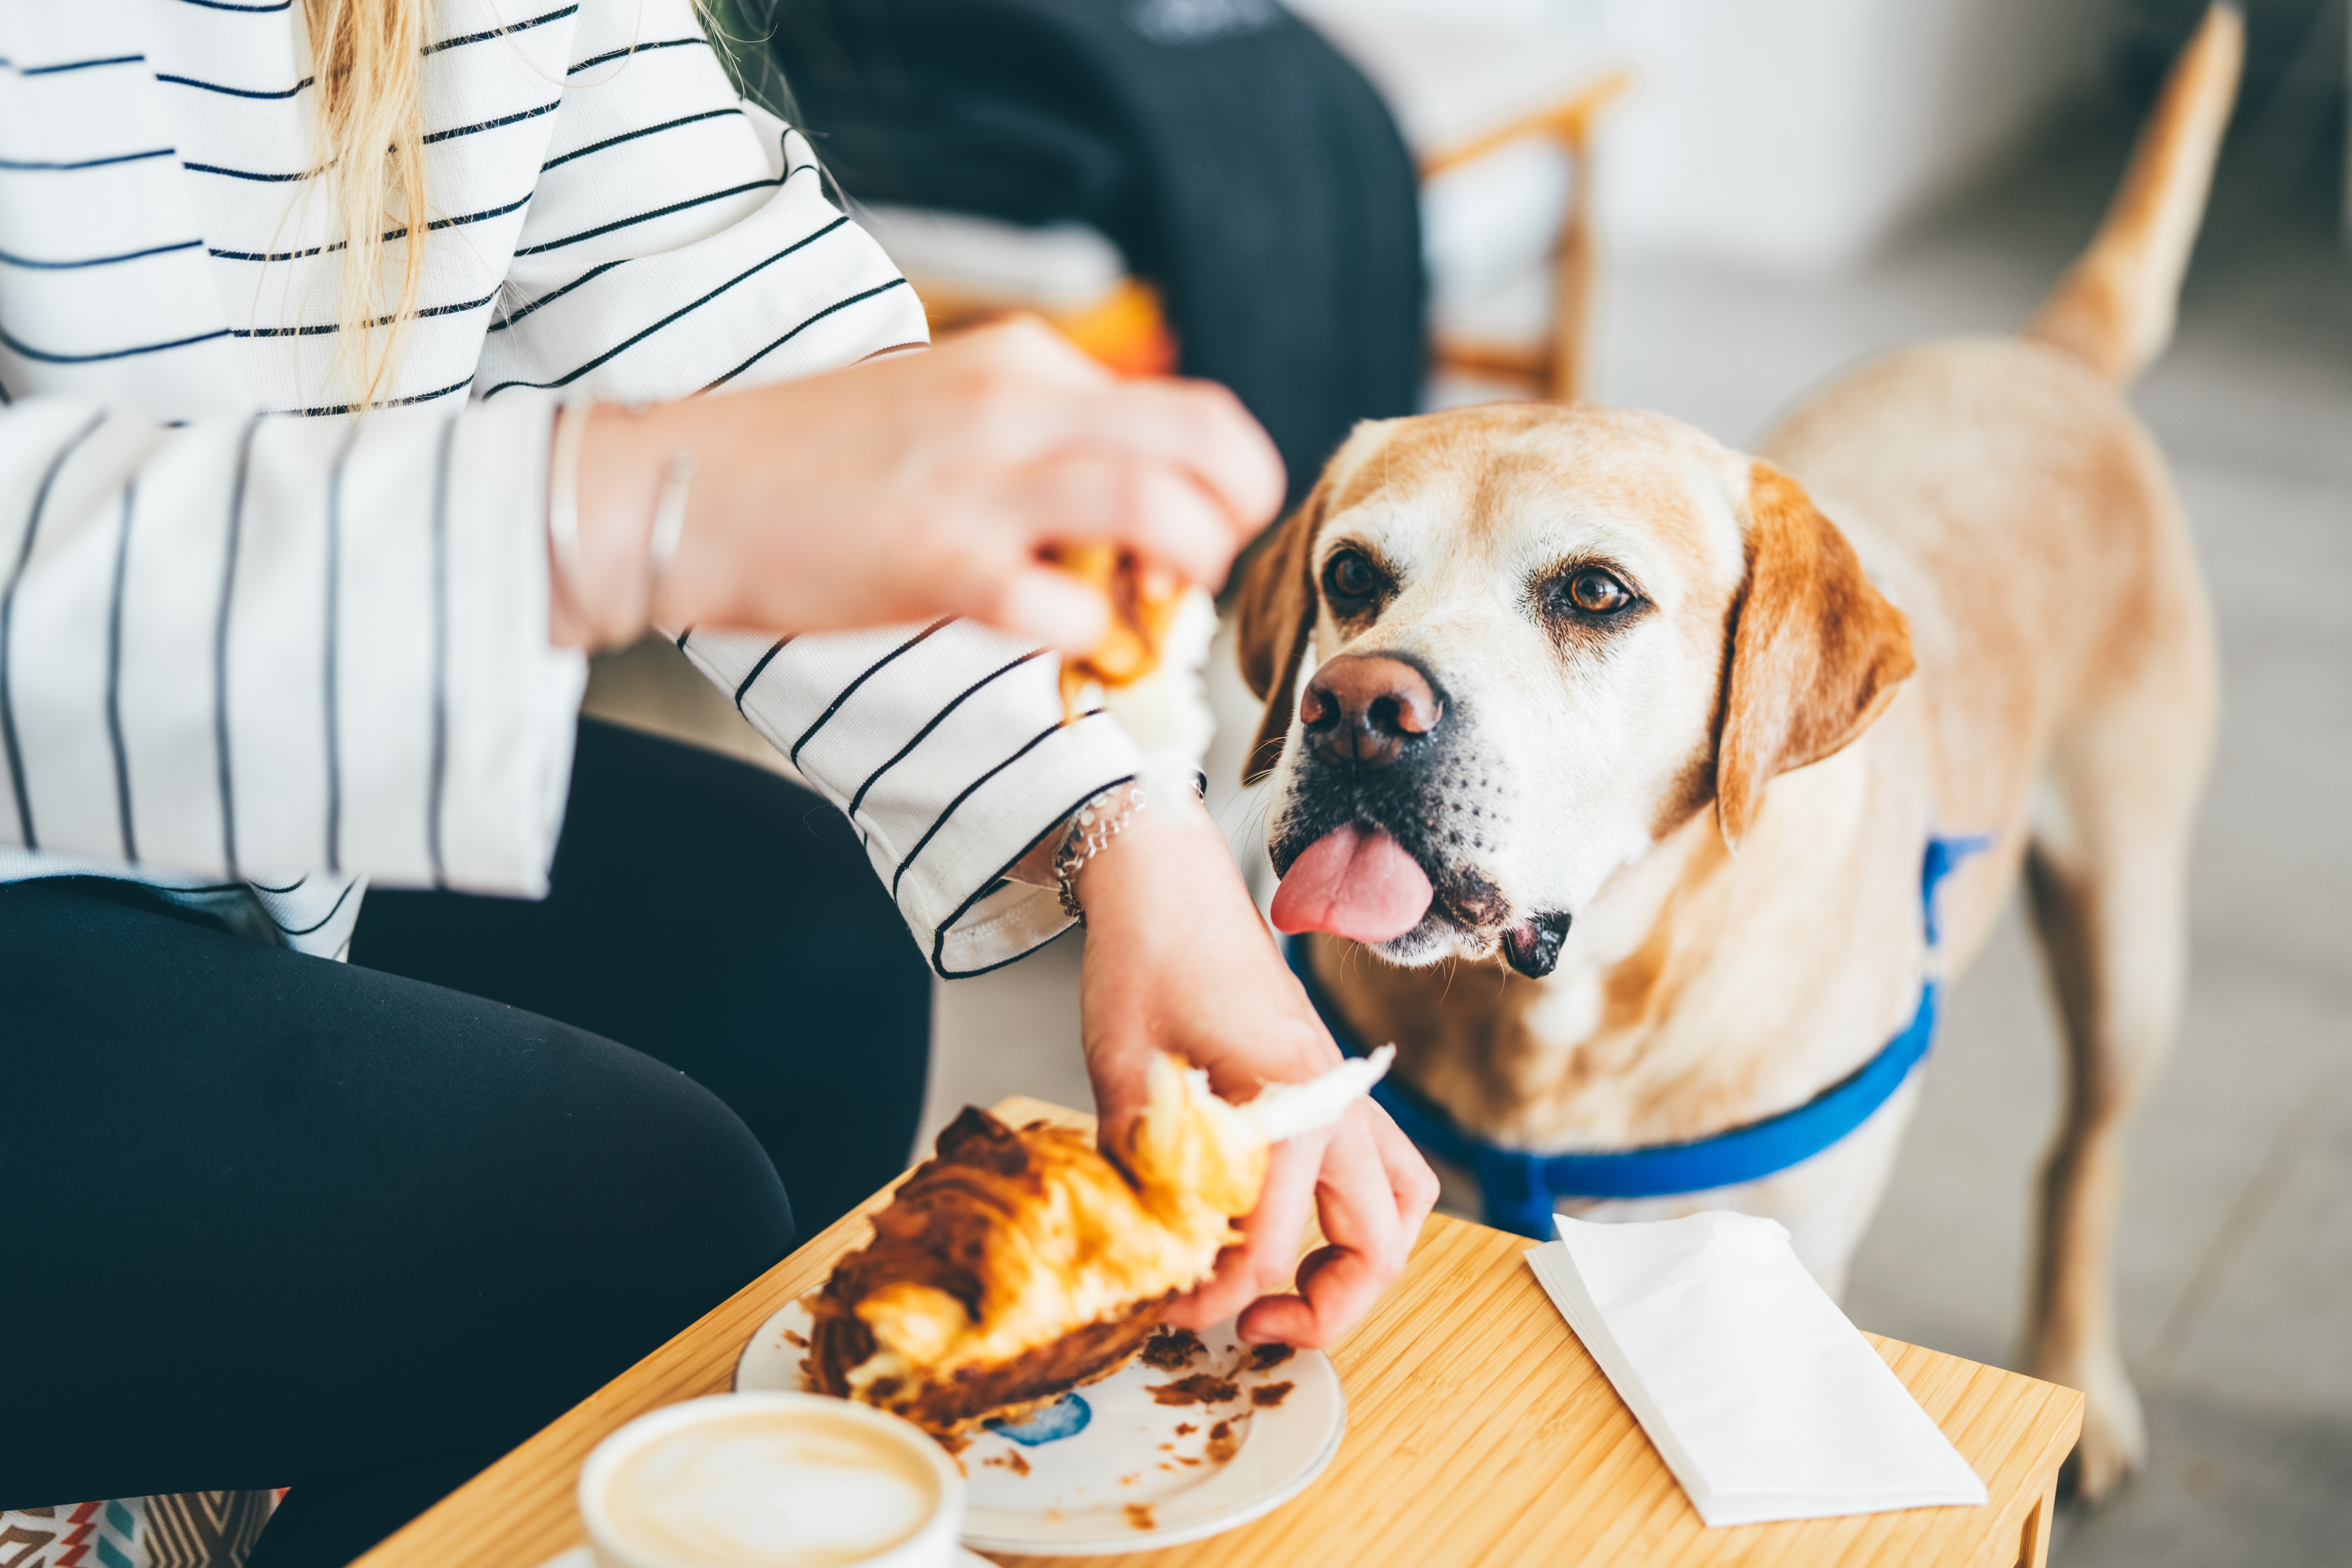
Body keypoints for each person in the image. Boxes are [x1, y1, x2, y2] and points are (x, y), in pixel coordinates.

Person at [0, 2, 1438, 1564]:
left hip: (205, 774)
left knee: (809, 955)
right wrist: (609, 514)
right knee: (621, 1220)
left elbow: (700, 285)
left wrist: (1127, 829)